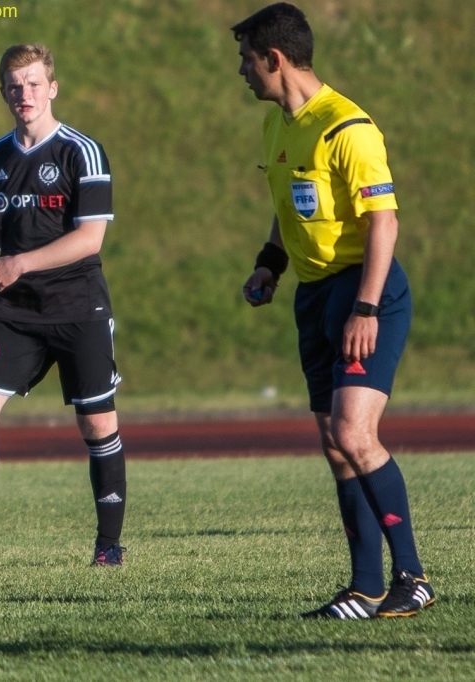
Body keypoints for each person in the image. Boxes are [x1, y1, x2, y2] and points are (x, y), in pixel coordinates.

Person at [234, 3, 434, 618]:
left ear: (275, 59)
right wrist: (271, 261)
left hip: (363, 292)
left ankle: (413, 579)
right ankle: (365, 588)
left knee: (354, 432)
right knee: (333, 441)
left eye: (247, 60)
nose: (241, 71)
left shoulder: (348, 128)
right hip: (315, 294)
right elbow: (288, 204)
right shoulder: (278, 127)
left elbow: (384, 222)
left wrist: (367, 308)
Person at [0, 44, 127, 569]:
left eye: (32, 84)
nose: (23, 94)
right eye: (13, 85)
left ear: (52, 88)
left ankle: (108, 545)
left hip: (78, 307)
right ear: (2, 91)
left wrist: (20, 263)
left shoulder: (81, 152)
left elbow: (89, 239)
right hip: (15, 312)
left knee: (97, 424)